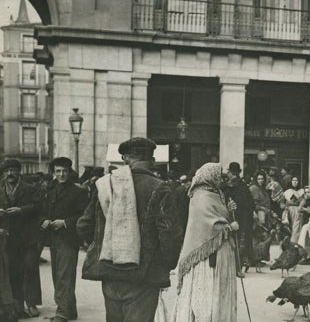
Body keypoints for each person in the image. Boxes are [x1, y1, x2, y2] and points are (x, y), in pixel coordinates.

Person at [77, 137, 183, 322]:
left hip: (109, 271)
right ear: (152, 160)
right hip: (144, 274)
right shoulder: (159, 188)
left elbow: (84, 226)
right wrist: (167, 264)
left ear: (125, 159)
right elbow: (170, 236)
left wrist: (102, 246)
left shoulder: (105, 184)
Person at [171, 162, 239, 322]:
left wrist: (230, 209)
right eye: (220, 175)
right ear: (211, 176)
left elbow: (219, 216)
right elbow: (210, 226)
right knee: (208, 291)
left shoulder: (216, 194)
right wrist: (230, 227)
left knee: (218, 290)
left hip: (220, 252)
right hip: (207, 255)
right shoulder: (201, 196)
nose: (222, 179)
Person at [40, 157, 90, 322]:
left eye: (64, 171)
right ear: (53, 173)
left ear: (70, 172)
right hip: (54, 238)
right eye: (58, 171)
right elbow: (45, 211)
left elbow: (85, 216)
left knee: (64, 276)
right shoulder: (51, 191)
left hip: (69, 239)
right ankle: (70, 310)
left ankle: (62, 313)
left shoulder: (79, 192)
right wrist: (45, 220)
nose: (61, 175)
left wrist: (65, 223)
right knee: (57, 275)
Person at [0, 159, 42, 318]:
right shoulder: (0, 190)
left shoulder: (31, 189)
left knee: (30, 268)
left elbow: (39, 207)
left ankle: (32, 304)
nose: (10, 174)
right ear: (3, 174)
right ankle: (17, 304)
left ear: (19, 172)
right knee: (13, 270)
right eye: (7, 171)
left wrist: (21, 210)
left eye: (13, 170)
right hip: (7, 238)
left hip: (28, 236)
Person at [224, 162, 255, 274]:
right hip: (228, 217)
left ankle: (238, 267)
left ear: (234, 174)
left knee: (238, 243)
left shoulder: (242, 187)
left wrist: (236, 205)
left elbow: (249, 204)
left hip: (240, 219)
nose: (227, 173)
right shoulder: (226, 185)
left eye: (229, 172)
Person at [282, 176, 304, 243]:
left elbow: (303, 202)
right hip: (288, 211)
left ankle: (294, 243)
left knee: (296, 228)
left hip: (298, 211)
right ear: (291, 181)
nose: (295, 182)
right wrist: (285, 206)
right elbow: (281, 203)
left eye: (296, 180)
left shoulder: (301, 191)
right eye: (293, 180)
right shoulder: (287, 191)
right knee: (288, 228)